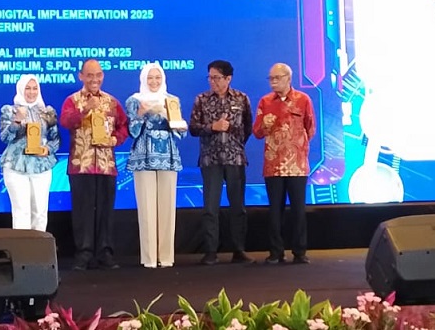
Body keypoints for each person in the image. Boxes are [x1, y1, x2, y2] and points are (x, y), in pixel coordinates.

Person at [59, 59, 129, 270]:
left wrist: (116, 139)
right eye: (89, 75)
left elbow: (124, 126)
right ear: (81, 76)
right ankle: (84, 253)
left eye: (98, 75)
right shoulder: (72, 101)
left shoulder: (112, 102)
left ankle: (105, 253)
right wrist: (85, 109)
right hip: (81, 164)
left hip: (106, 165)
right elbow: (65, 122)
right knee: (83, 211)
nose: (94, 79)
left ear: (103, 76)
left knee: (106, 211)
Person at [189, 59, 254, 265]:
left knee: (238, 207)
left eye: (216, 78)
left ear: (228, 78)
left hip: (235, 158)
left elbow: (248, 128)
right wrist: (212, 127)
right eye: (210, 77)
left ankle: (239, 249)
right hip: (211, 159)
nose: (212, 82)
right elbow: (193, 128)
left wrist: (234, 140)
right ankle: (210, 251)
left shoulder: (242, 98)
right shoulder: (201, 99)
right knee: (210, 207)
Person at [252, 62, 316, 264]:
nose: (273, 82)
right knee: (275, 210)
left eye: (277, 78)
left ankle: (300, 252)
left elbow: (310, 128)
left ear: (288, 78)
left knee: (298, 210)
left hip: (297, 165)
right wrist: (264, 125)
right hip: (273, 164)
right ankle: (276, 252)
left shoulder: (303, 100)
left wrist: (297, 146)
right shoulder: (265, 102)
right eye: (270, 78)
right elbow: (256, 132)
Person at [125, 62, 186, 269]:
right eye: (150, 78)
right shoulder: (135, 100)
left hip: (168, 156)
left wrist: (176, 122)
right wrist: (140, 114)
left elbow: (179, 130)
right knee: (146, 208)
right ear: (143, 79)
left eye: (157, 77)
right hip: (143, 157)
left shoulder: (172, 100)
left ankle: (166, 257)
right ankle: (149, 258)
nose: (154, 82)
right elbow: (132, 131)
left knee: (168, 207)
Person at [0, 74, 61, 231]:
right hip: (16, 167)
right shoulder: (10, 111)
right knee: (21, 212)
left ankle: (39, 246)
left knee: (40, 212)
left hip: (41, 167)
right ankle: (22, 246)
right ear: (21, 89)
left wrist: (47, 149)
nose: (31, 92)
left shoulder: (47, 112)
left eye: (34, 88)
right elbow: (5, 137)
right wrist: (17, 120)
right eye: (27, 88)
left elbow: (56, 139)